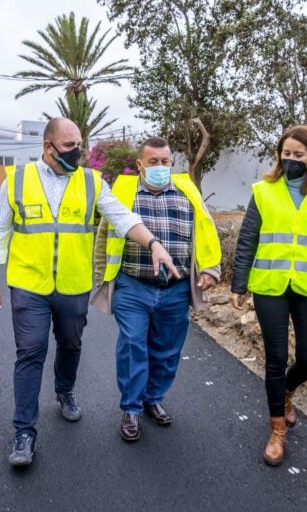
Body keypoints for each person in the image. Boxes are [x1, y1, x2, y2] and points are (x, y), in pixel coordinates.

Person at [0, 118, 178, 467]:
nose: (78, 151)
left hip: (73, 284)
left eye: (80, 144)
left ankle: (64, 389)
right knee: (30, 352)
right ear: (48, 147)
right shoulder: (17, 180)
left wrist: (153, 243)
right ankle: (24, 432)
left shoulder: (91, 181)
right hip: (29, 284)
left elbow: (122, 216)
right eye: (70, 145)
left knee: (71, 344)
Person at [230, 125, 307, 466]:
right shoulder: (264, 191)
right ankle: (277, 430)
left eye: (299, 154)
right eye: (287, 154)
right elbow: (247, 239)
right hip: (270, 286)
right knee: (275, 359)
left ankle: (286, 392)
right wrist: (238, 285)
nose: (292, 159)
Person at [92, 136, 221, 442]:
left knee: (166, 351)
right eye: (153, 162)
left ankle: (153, 398)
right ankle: (131, 408)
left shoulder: (187, 192)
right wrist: (103, 279)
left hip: (175, 291)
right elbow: (103, 237)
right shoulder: (122, 193)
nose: (160, 167)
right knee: (133, 345)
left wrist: (211, 269)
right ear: (140, 165)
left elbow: (205, 231)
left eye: (165, 162)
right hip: (132, 286)